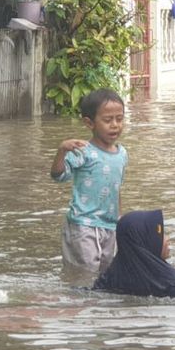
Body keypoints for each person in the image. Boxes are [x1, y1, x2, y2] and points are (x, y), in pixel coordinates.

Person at [51, 88, 127, 277]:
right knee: (84, 273)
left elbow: (116, 188)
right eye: (108, 120)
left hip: (110, 225)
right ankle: (79, 304)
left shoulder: (122, 153)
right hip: (83, 224)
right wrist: (62, 151)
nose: (115, 125)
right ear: (89, 123)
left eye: (120, 119)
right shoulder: (83, 151)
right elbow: (58, 176)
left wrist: (120, 218)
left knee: (106, 274)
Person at [92, 210, 175, 298]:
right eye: (159, 235)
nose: (167, 238)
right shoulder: (172, 281)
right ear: (146, 241)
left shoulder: (108, 279)